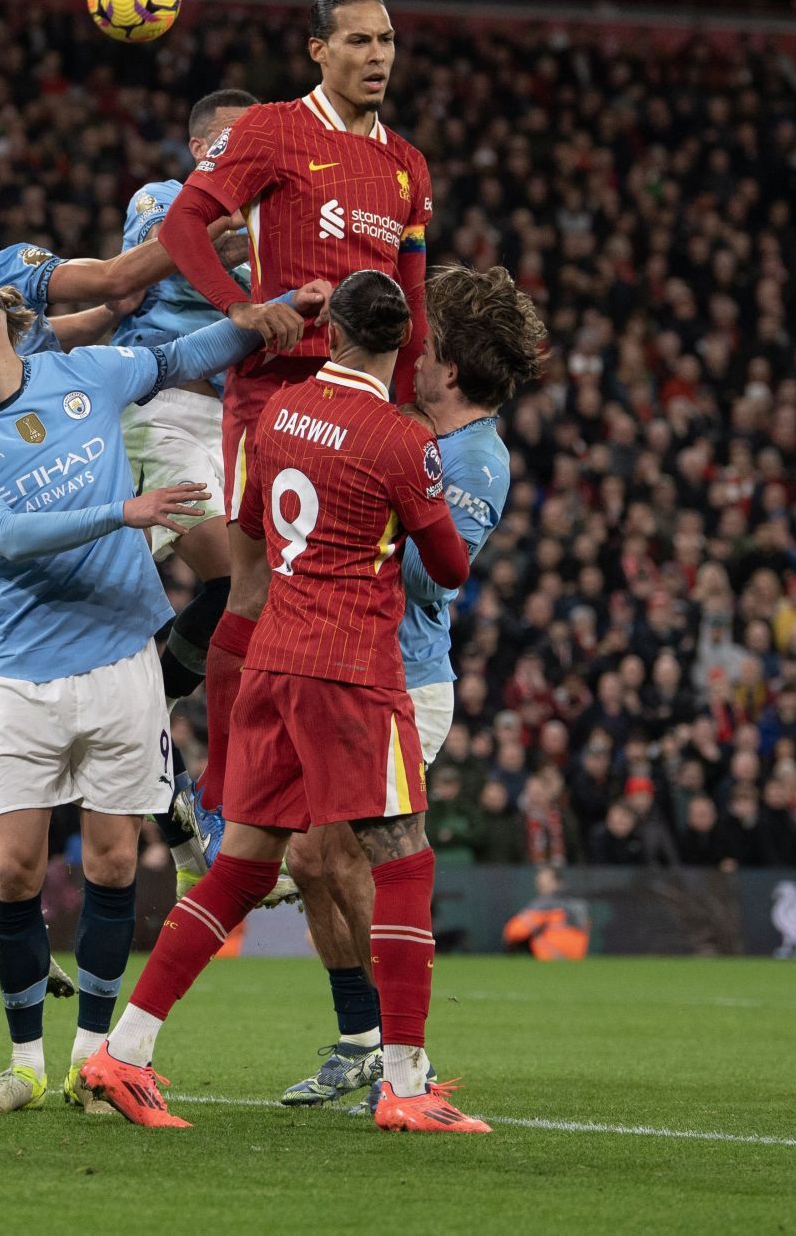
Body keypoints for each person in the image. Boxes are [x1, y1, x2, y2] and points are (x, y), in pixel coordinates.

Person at [0, 272, 325, 1116]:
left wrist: (264, 320)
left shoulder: (86, 374)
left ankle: (92, 1065)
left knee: (112, 863)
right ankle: (24, 1064)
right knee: (17, 870)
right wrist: (122, 512)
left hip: (123, 661)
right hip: (22, 675)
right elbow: (12, 537)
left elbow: (177, 354)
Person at [82, 270, 488, 1135]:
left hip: (272, 658)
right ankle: (407, 1084)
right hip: (351, 671)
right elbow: (449, 569)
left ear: (332, 329)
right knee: (405, 861)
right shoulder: (398, 439)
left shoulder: (276, 415)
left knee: (242, 868)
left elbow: (252, 537)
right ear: (401, 342)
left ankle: (124, 1051)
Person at [158, 0, 435, 863]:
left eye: (386, 39)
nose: (377, 55)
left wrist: (414, 408)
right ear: (318, 49)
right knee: (257, 592)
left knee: (345, 600)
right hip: (276, 394)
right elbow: (183, 224)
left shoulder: (409, 167)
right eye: (358, 40)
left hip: (364, 409)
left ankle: (308, 798)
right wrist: (242, 308)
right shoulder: (274, 130)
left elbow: (415, 302)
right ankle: (226, 800)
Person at [279, 263, 546, 1112]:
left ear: (452, 370)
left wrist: (379, 503)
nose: (413, 355)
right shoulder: (398, 425)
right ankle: (363, 1039)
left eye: (427, 349)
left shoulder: (476, 457)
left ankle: (405, 1056)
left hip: (406, 680)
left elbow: (436, 582)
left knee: (346, 856)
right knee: (308, 858)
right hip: (342, 671)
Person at [115, 89, 259, 700]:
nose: (247, 152)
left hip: (227, 425)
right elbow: (171, 252)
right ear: (200, 147)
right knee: (233, 584)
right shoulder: (162, 198)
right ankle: (153, 707)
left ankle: (150, 711)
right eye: (231, 138)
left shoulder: (264, 226)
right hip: (161, 409)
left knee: (251, 594)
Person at [0, 154, 196, 409]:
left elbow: (26, 340)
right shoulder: (8, 266)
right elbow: (113, 279)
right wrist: (209, 228)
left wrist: (110, 313)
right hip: (43, 433)